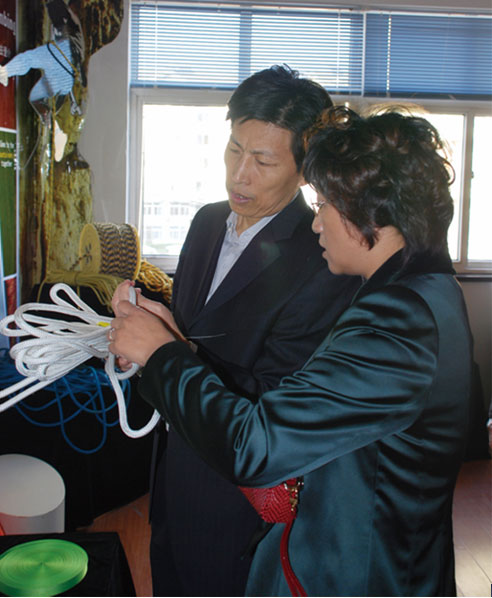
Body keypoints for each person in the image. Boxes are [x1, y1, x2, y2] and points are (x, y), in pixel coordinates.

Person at [110, 105, 473, 596]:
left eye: (324, 205)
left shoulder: (398, 320)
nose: (317, 223)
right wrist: (177, 346)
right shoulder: (424, 290)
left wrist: (162, 356)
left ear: (370, 213)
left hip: (354, 576)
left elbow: (255, 448)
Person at [120, 65, 360, 596]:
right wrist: (142, 337)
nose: (239, 176)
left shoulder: (321, 258)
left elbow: (278, 400)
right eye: (234, 150)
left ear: (304, 171)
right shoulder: (207, 221)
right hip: (171, 475)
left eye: (263, 161)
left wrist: (165, 354)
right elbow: (192, 328)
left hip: (236, 502)